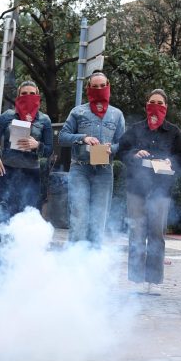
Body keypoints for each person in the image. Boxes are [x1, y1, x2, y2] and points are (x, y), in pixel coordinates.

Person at [116, 89, 181, 294]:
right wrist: (134, 153)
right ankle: (136, 279)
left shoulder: (174, 132)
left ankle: (153, 281)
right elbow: (121, 151)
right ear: (147, 105)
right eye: (152, 102)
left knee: (157, 234)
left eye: (160, 103)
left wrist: (170, 161)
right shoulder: (135, 129)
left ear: (166, 107)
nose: (156, 106)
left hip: (161, 190)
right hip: (136, 189)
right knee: (136, 233)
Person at [58, 71, 125, 247]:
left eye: (102, 86)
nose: (99, 89)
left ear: (108, 86)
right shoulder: (78, 111)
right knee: (79, 217)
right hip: (80, 169)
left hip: (104, 170)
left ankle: (94, 260)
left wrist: (112, 148)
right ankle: (75, 258)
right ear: (88, 88)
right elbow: (62, 137)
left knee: (99, 219)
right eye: (95, 86)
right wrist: (83, 138)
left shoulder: (117, 114)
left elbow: (123, 144)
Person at [0, 80, 53, 248]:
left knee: (27, 221)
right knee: (3, 219)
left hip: (31, 176)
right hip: (7, 173)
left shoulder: (44, 120)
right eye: (24, 94)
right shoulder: (7, 116)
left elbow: (49, 150)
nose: (28, 96)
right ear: (18, 96)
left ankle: (22, 261)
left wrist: (37, 145)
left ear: (38, 96)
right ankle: (0, 262)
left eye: (32, 94)